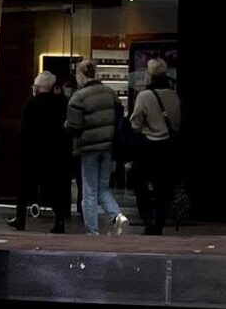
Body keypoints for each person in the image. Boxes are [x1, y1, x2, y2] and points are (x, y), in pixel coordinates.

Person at [65, 59, 123, 235]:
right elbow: (119, 115)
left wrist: (66, 124)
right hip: (108, 147)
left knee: (89, 190)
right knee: (102, 187)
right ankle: (118, 216)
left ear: (80, 75)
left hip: (88, 148)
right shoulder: (110, 93)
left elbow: (74, 126)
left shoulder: (78, 97)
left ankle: (92, 231)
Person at [13, 71, 71, 233]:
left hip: (33, 151)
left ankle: (20, 219)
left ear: (38, 88)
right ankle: (59, 220)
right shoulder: (62, 103)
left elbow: (25, 130)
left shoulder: (31, 104)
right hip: (55, 152)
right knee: (55, 188)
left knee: (24, 187)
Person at [129, 58, 181, 234]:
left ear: (149, 74)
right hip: (168, 147)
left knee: (139, 180)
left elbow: (135, 123)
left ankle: (148, 216)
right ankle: (159, 219)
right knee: (163, 186)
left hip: (148, 146)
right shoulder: (173, 95)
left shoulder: (144, 96)